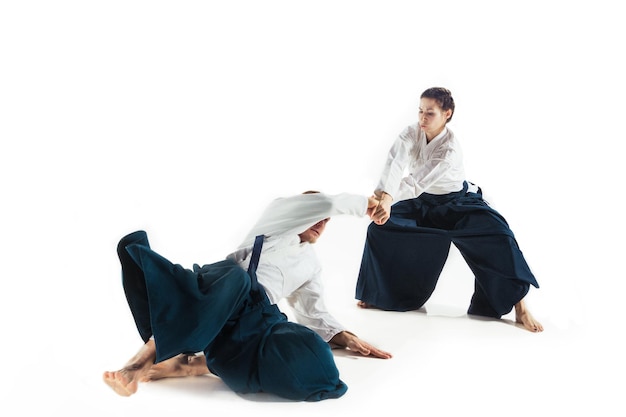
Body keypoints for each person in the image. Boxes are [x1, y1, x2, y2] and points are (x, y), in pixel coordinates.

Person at [103, 191, 392, 402]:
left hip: (256, 319)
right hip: (220, 291)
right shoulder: (277, 221)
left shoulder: (311, 263)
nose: (321, 222)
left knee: (318, 366)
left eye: (326, 220)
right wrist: (367, 204)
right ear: (298, 212)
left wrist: (346, 337)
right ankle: (139, 363)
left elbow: (314, 312)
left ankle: (194, 365)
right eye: (315, 215)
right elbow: (323, 203)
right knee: (237, 278)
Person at [359, 87, 544, 332]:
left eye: (431, 113)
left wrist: (387, 200)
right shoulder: (411, 133)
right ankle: (379, 295)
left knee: (501, 237)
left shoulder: (449, 149)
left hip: (457, 205)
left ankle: (521, 308)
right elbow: (395, 162)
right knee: (380, 229)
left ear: (447, 114)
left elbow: (417, 181)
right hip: (422, 204)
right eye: (420, 111)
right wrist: (383, 196)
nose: (423, 118)